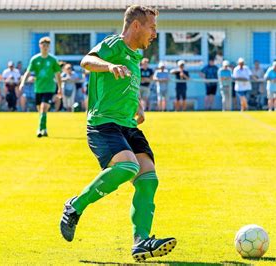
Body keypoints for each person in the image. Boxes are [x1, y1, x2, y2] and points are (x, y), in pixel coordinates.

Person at [59, 5, 176, 262]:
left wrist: (138, 106)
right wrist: (109, 65)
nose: (155, 33)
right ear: (136, 25)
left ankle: (141, 241)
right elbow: (86, 61)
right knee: (127, 168)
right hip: (104, 124)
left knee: (149, 179)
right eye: (152, 27)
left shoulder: (134, 57)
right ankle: (75, 206)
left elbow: (127, 87)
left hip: (128, 125)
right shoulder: (115, 45)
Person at [19, 37, 62, 137]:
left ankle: (39, 129)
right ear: (40, 46)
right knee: (40, 110)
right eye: (43, 45)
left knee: (43, 108)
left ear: (49, 47)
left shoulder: (53, 60)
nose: (45, 47)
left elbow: (58, 75)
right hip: (38, 88)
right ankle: (45, 129)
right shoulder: (35, 59)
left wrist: (59, 87)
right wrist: (22, 83)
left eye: (47, 46)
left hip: (49, 88)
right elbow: (28, 72)